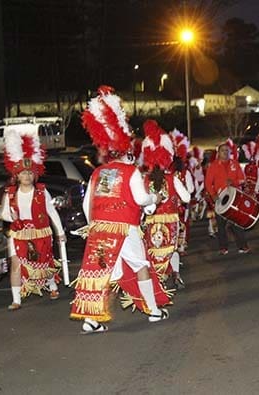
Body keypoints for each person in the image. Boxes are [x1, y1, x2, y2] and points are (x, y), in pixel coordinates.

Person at [71, 86, 170, 334]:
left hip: (100, 228)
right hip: (126, 228)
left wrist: (95, 224)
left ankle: (91, 319)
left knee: (102, 272)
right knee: (141, 266)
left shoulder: (98, 172)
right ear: (128, 150)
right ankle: (154, 311)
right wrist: (154, 199)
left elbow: (87, 204)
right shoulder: (130, 171)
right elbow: (140, 198)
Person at [1, 125, 65, 310]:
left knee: (44, 261)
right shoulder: (10, 193)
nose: (27, 176)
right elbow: (5, 213)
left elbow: (52, 212)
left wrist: (60, 232)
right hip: (18, 233)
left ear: (34, 175)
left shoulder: (42, 192)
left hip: (40, 231)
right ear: (17, 176)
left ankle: (52, 285)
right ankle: (16, 299)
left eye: (30, 173)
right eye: (23, 173)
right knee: (16, 264)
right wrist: (11, 217)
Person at [139, 120, 191, 290]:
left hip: (152, 220)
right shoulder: (172, 178)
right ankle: (175, 274)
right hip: (171, 219)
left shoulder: (144, 179)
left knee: (153, 249)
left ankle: (157, 280)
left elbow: (140, 201)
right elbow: (187, 198)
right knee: (171, 249)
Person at [204, 141, 249, 255]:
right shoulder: (213, 166)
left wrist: (233, 182)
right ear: (218, 153)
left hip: (234, 198)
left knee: (237, 223)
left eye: (227, 150)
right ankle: (223, 247)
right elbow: (208, 183)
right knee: (221, 225)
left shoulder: (235, 164)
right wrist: (213, 195)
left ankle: (243, 246)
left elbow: (242, 180)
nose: (226, 152)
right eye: (223, 150)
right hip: (220, 199)